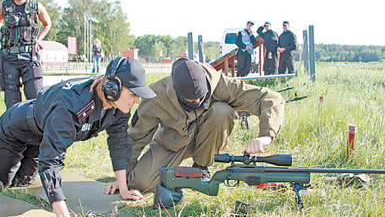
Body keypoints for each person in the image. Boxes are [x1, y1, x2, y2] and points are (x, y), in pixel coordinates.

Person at [104, 57, 285, 203]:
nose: (197, 103)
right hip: (171, 144)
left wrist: (265, 137)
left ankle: (201, 167)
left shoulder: (220, 83)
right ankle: (174, 174)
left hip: (206, 137)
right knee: (140, 182)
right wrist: (123, 180)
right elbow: (135, 138)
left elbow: (270, 98)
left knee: (222, 111)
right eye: (191, 101)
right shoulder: (155, 96)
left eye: (201, 98)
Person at [0, 56, 156, 217]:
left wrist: (123, 188)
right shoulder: (71, 104)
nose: (137, 100)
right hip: (15, 129)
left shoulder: (119, 108)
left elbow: (119, 144)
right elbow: (50, 161)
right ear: (112, 88)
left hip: (40, 139)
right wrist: (63, 214)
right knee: (2, 181)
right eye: (132, 94)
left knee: (22, 182)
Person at [0, 0, 51, 109]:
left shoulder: (35, 6)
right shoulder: (4, 6)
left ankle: (37, 129)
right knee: (12, 102)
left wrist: (38, 40)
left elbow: (47, 23)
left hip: (30, 57)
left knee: (36, 98)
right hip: (9, 59)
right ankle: (14, 129)